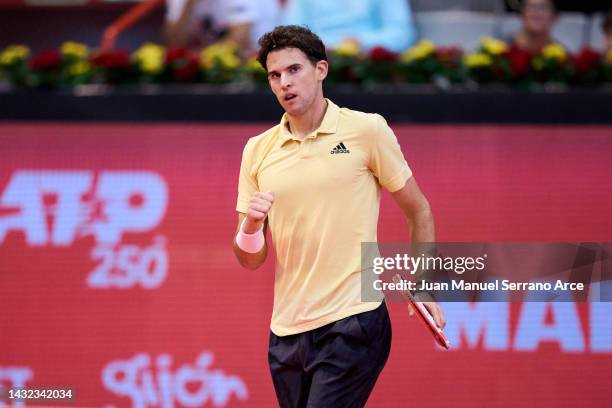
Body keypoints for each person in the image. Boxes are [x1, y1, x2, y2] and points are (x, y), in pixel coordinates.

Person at [233, 25, 446, 407]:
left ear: (321, 70)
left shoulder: (366, 130)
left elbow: (419, 209)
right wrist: (250, 227)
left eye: (294, 70)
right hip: (286, 331)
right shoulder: (257, 150)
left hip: (353, 320)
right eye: (275, 75)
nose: (285, 83)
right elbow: (250, 260)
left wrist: (424, 282)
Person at [282, 0, 416, 52]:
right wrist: (321, 47)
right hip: (316, 68)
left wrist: (361, 42)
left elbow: (403, 33)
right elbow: (289, 35)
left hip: (373, 70)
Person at [163, 0, 280, 55]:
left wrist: (198, 59)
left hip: (254, 69)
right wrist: (189, 6)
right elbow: (173, 45)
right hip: (206, 69)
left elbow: (238, 43)